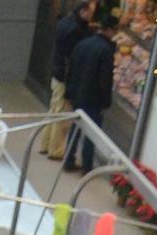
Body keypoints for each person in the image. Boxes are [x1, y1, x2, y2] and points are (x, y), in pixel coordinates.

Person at [43, 0, 93, 160]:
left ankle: (46, 143)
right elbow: (72, 59)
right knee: (61, 114)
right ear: (83, 11)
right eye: (91, 12)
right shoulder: (76, 30)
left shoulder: (65, 22)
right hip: (64, 77)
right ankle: (56, 148)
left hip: (57, 74)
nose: (92, 16)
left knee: (54, 110)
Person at [64, 18, 116, 172]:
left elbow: (71, 68)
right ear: (109, 30)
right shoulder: (106, 50)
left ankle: (68, 160)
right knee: (91, 134)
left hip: (78, 94)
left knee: (75, 128)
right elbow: (105, 79)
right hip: (94, 98)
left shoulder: (83, 43)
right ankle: (87, 166)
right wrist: (106, 102)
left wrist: (69, 92)